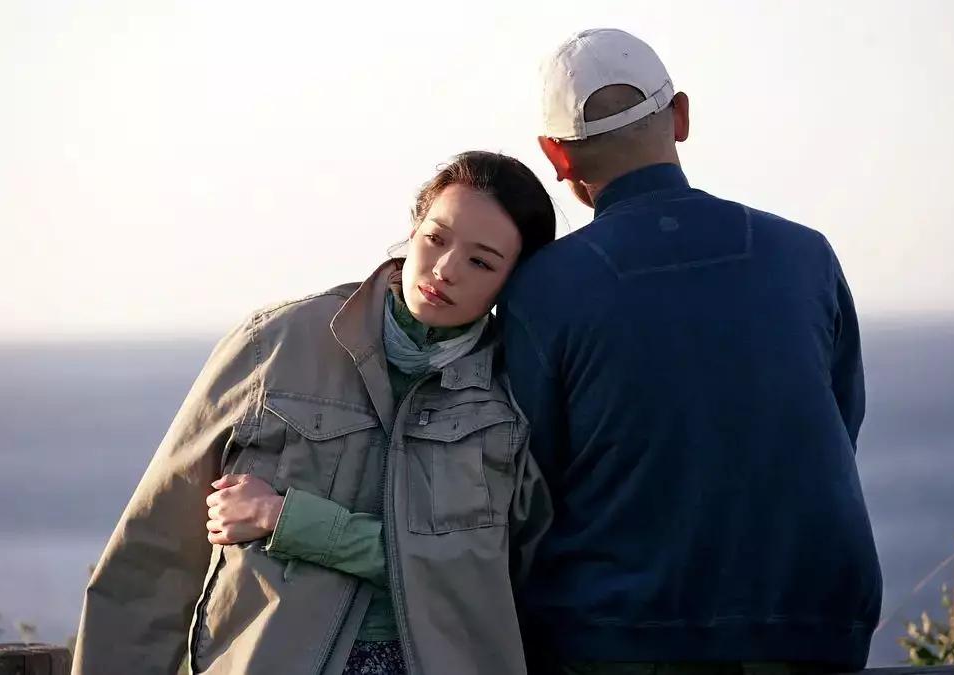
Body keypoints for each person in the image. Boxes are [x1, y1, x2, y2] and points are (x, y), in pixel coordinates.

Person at [73, 151, 556, 675]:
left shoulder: (513, 395)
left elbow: (494, 580)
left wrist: (286, 519)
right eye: (436, 238)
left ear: (514, 280)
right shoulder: (275, 345)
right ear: (414, 229)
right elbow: (153, 554)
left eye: (480, 262)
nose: (444, 270)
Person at [501, 29, 883, 674]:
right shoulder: (807, 254)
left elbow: (527, 487)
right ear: (680, 116)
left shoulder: (541, 287)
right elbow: (840, 425)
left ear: (555, 155)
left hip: (623, 638)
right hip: (819, 629)